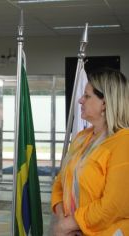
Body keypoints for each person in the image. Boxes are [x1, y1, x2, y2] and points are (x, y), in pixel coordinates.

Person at [51, 68, 129, 235]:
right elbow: (60, 183)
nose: (80, 100)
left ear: (105, 103)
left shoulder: (124, 142)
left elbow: (113, 206)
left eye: (87, 96)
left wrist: (69, 224)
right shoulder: (81, 137)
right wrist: (62, 218)